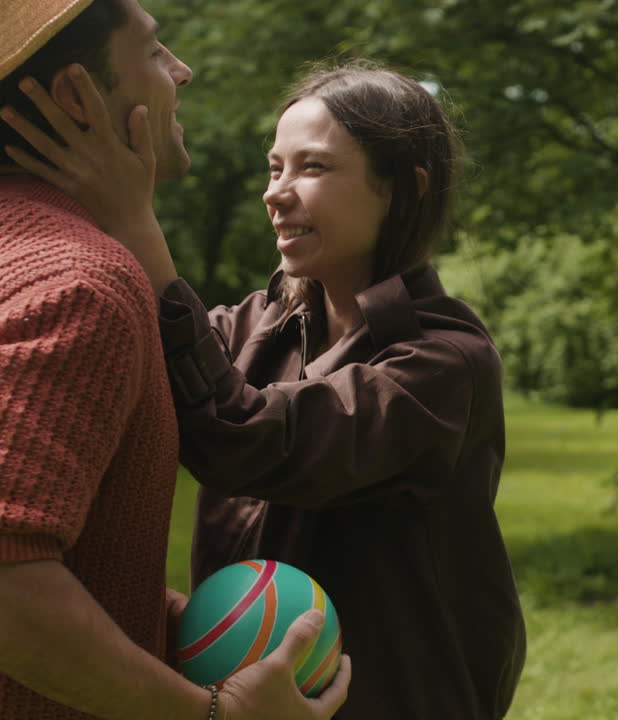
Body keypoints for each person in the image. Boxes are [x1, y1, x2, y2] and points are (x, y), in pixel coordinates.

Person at [5, 56, 527, 719]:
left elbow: (246, 439)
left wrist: (135, 223)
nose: (276, 192)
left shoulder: (446, 363)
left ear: (404, 188)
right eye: (274, 167)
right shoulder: (249, 328)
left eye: (313, 167)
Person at [0, 1, 351, 719]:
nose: (182, 71)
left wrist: (138, 610)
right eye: (155, 50)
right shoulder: (81, 285)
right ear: (76, 98)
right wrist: (211, 716)